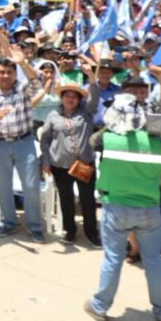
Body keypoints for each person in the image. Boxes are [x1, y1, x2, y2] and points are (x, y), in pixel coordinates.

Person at [85, 94, 161, 321]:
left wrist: (112, 123)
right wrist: (152, 128)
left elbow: (93, 140)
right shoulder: (156, 141)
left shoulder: (107, 139)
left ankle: (100, 306)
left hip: (116, 207)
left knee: (113, 259)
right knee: (153, 261)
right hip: (148, 209)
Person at [0, 47, 45, 242]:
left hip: (24, 142)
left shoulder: (22, 88)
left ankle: (34, 226)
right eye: (2, 72)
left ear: (15, 74)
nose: (5, 76)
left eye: (9, 72)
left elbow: (37, 84)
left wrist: (23, 62)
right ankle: (9, 222)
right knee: (3, 186)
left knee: (31, 185)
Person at [38, 84, 100, 247]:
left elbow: (94, 98)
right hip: (60, 165)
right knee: (66, 200)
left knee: (87, 200)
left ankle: (91, 233)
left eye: (74, 96)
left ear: (79, 100)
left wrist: (92, 79)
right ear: (62, 97)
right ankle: (70, 231)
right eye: (67, 95)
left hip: (83, 163)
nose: (70, 99)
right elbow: (45, 140)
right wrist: (46, 161)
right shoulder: (53, 115)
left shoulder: (86, 113)